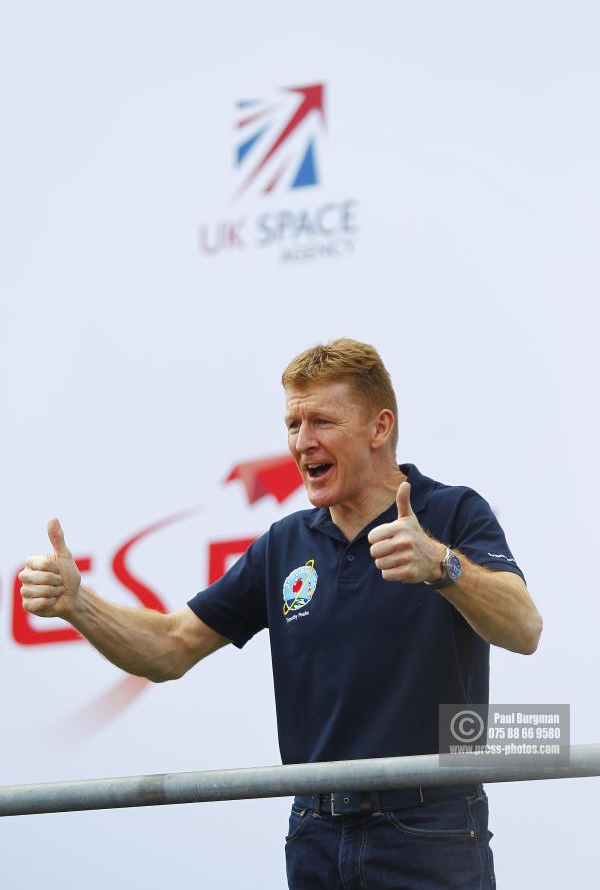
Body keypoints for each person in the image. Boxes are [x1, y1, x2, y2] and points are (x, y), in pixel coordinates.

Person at [19, 338, 542, 889]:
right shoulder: (284, 543)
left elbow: (525, 628)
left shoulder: (452, 511)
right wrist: (78, 604)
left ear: (379, 427)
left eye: (321, 421)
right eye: (292, 424)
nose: (301, 442)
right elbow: (170, 648)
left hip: (429, 826)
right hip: (314, 833)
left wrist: (440, 564)